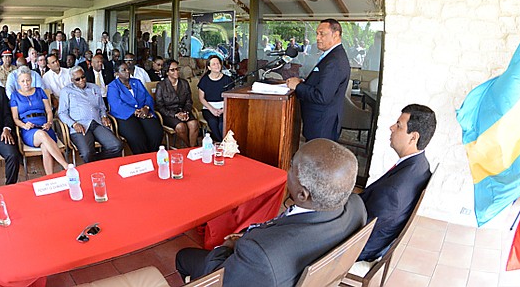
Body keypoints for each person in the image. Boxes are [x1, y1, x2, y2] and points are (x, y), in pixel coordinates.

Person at [175, 139, 366, 286]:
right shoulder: (357, 207)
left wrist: (226, 247)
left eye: (291, 167)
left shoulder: (260, 255)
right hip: (286, 266)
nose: (287, 170)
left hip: (258, 268)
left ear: (302, 194)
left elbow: (222, 276)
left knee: (183, 257)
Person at [356, 104, 435, 263]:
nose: (392, 127)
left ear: (413, 137)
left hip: (361, 247)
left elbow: (360, 229)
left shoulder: (393, 191)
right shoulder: (420, 165)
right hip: (375, 231)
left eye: (398, 125)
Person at [286, 19, 350, 141]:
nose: (317, 38)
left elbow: (322, 96)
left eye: (322, 34)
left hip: (322, 125)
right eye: (317, 34)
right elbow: (322, 85)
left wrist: (298, 87)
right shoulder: (332, 56)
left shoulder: (335, 61)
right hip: (319, 122)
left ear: (335, 35)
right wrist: (303, 83)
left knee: (317, 158)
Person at [58, 66, 123, 163]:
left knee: (116, 146)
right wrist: (74, 124)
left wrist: (104, 116)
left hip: (97, 123)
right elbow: (62, 113)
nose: (81, 80)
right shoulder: (66, 91)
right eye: (77, 79)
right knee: (87, 153)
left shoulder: (95, 87)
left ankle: (95, 161)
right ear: (72, 80)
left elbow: (102, 107)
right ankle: (93, 165)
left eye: (83, 77)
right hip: (80, 126)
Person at [10, 66, 68, 175]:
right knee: (41, 135)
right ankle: (65, 165)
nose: (26, 83)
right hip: (29, 130)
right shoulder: (15, 95)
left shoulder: (40, 91)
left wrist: (49, 122)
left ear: (31, 80)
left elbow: (49, 111)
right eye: (23, 81)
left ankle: (50, 178)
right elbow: (15, 118)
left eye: (28, 80)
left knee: (45, 146)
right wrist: (23, 125)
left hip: (45, 125)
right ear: (18, 82)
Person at [107, 62, 163, 154]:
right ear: (116, 73)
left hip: (143, 111)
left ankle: (152, 154)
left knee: (156, 132)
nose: (127, 71)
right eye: (123, 70)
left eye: (128, 69)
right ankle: (142, 158)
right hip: (125, 116)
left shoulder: (136, 82)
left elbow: (148, 97)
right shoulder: (113, 86)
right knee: (137, 137)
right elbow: (116, 104)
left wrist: (146, 107)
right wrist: (134, 112)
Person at [155, 59, 200, 147]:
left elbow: (188, 101)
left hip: (183, 111)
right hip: (169, 114)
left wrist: (185, 112)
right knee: (181, 127)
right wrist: (176, 115)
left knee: (194, 124)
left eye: (177, 69)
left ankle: (192, 148)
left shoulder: (184, 83)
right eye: (172, 70)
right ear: (167, 72)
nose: (176, 72)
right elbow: (160, 107)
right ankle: (188, 148)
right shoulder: (161, 85)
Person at [197, 56, 233, 142]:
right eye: (213, 64)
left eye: (218, 63)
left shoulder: (227, 80)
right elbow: (201, 98)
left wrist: (223, 109)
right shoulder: (204, 80)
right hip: (208, 108)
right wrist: (212, 109)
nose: (217, 66)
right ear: (209, 67)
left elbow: (231, 97)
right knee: (213, 122)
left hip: (224, 107)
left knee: (222, 124)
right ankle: (222, 143)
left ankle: (222, 144)